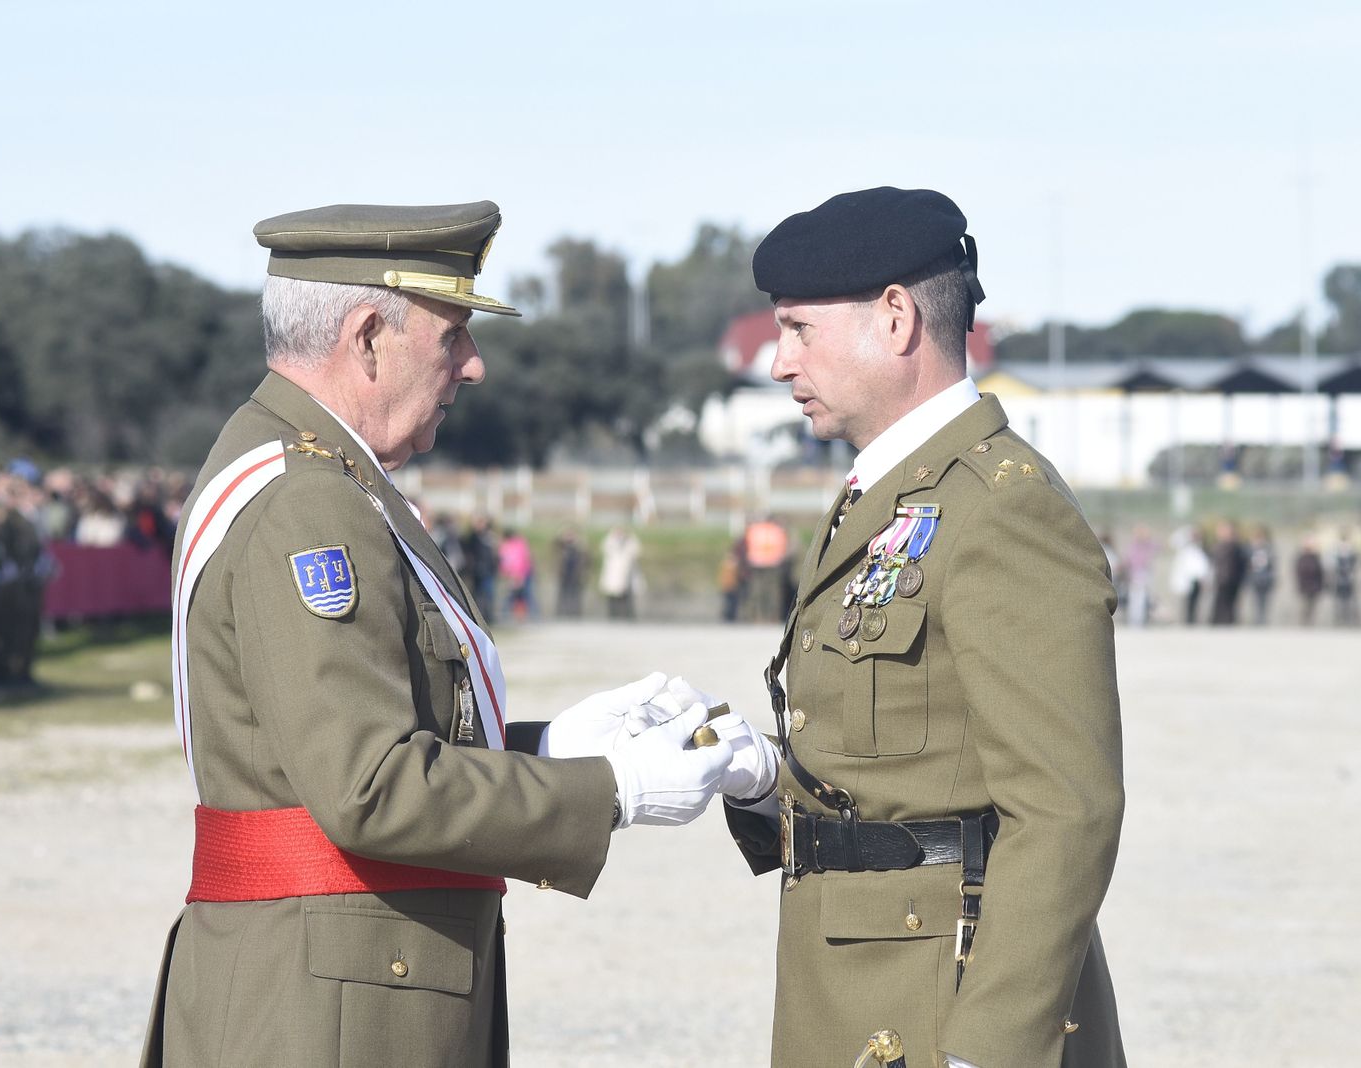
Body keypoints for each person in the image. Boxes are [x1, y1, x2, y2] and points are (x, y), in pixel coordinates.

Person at [139, 202, 733, 1067]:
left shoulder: (317, 472)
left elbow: (359, 740)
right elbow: (369, 786)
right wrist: (609, 790)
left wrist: (551, 747)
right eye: (453, 335)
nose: (474, 366)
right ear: (369, 336)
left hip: (337, 982)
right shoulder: (309, 500)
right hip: (332, 1010)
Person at [716, 187, 1126, 1068]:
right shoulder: (892, 493)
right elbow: (902, 755)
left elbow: (1066, 808)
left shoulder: (997, 509)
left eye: (799, 329)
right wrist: (759, 778)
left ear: (895, 317)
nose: (780, 363)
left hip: (945, 999)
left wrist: (992, 1050)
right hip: (857, 981)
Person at [1169, 524, 1210, 626]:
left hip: (1197, 580)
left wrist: (1204, 578)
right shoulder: (1185, 547)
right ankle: (1185, 621)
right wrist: (1187, 528)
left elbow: (1202, 565)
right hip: (1187, 580)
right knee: (1186, 602)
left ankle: (1192, 621)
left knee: (1195, 602)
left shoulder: (1201, 547)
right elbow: (1173, 540)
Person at [598, 524, 641, 620]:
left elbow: (636, 552)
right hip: (613, 577)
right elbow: (605, 547)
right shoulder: (610, 542)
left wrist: (630, 538)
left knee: (627, 599)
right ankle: (613, 616)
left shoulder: (630, 542)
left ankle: (627, 617)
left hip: (627, 576)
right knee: (612, 598)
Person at [1294, 535, 1325, 626]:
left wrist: (1321, 585)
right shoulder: (1301, 557)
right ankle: (1304, 623)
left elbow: (1320, 572)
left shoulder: (1316, 557)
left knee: (1312, 606)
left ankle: (1310, 623)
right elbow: (1298, 571)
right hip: (1304, 585)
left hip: (1314, 586)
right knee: (1305, 605)